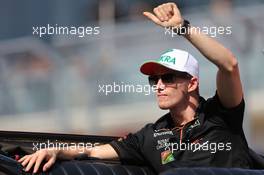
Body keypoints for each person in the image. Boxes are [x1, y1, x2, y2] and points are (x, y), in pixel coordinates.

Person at [18, 2, 253, 174]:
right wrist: (55, 151)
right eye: (154, 80)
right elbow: (92, 152)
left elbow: (229, 64)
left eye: (168, 78)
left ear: (192, 83)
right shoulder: (150, 135)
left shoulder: (220, 114)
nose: (159, 85)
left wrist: (182, 27)